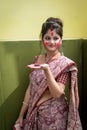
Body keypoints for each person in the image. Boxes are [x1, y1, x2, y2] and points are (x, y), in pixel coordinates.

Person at [14, 17, 82, 130]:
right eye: (48, 38)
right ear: (42, 39)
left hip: (55, 117)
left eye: (56, 38)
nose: (51, 42)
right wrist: (21, 116)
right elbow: (31, 89)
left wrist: (47, 70)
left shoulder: (64, 64)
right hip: (35, 113)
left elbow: (57, 93)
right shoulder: (37, 60)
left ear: (61, 40)